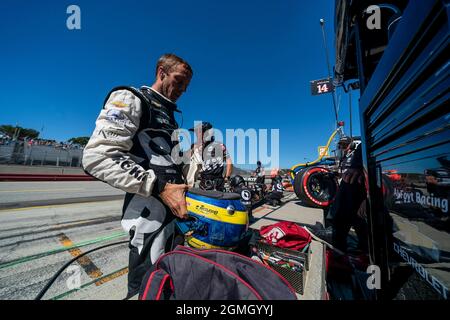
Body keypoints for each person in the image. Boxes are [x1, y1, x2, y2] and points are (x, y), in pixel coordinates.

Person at [82, 53, 193, 298]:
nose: (182, 89)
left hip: (174, 218)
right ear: (161, 72)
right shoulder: (131, 98)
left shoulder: (171, 118)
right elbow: (98, 156)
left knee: (171, 287)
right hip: (148, 219)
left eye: (186, 86)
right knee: (148, 289)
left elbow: (171, 163)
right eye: (178, 81)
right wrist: (160, 187)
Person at [330, 137, 368, 253]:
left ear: (351, 145)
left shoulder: (357, 153)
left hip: (358, 191)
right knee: (346, 220)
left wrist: (358, 166)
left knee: (359, 221)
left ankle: (365, 250)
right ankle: (341, 249)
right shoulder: (343, 158)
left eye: (345, 145)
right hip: (345, 191)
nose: (342, 148)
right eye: (341, 145)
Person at [186, 122, 233, 191]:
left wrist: (227, 177)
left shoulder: (220, 146)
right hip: (205, 181)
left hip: (216, 182)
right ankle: (189, 184)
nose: (196, 135)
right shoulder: (196, 147)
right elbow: (186, 158)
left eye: (199, 133)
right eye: (196, 133)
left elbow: (229, 162)